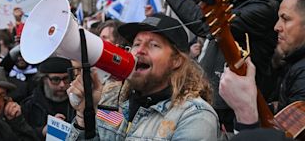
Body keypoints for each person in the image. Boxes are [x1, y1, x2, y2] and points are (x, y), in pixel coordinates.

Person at [138, 0, 287, 131]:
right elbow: (194, 8)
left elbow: (207, 25)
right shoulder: (242, 0)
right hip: (218, 108)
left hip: (234, 117)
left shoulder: (265, 8)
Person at [67, 13, 219, 140]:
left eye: (153, 45)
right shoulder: (114, 104)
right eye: (136, 44)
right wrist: (85, 115)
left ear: (176, 61)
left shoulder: (195, 117)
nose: (140, 51)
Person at [219, 0, 305, 133]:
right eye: (278, 18)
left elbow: (287, 135)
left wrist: (246, 113)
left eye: (285, 19)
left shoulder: (302, 72)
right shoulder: (291, 63)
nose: (277, 27)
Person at [22, 57, 74, 140]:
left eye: (66, 79)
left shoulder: (79, 104)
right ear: (44, 79)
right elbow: (21, 135)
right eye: (55, 79)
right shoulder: (29, 106)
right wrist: (42, 132)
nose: (62, 85)